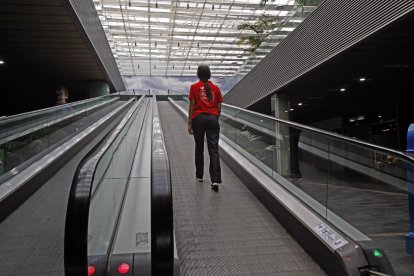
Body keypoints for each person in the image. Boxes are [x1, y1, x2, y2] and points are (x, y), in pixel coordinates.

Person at [188, 65, 223, 191]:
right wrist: (215, 117)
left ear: (198, 75)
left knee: (199, 148)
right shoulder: (216, 88)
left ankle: (199, 175)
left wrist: (190, 123)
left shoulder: (194, 87)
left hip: (199, 118)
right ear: (209, 74)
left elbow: (192, 106)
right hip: (213, 119)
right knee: (213, 150)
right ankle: (215, 180)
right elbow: (219, 107)